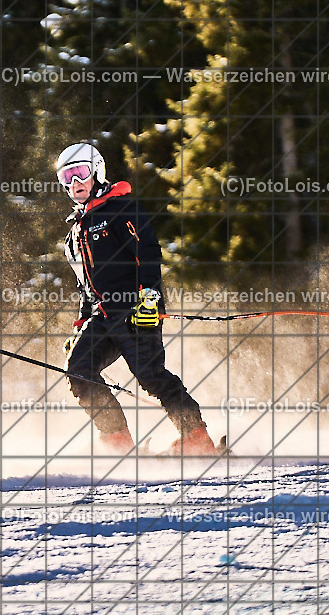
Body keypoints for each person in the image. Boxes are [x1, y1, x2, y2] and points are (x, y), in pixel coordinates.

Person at [57, 142, 220, 456]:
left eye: (80, 173)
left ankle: (196, 437)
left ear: (97, 172)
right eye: (67, 176)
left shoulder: (121, 209)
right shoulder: (74, 233)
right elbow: (85, 286)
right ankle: (117, 440)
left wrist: (150, 298)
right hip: (101, 316)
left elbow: (147, 254)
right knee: (78, 370)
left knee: (150, 375)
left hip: (134, 308)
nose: (75, 182)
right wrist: (80, 324)